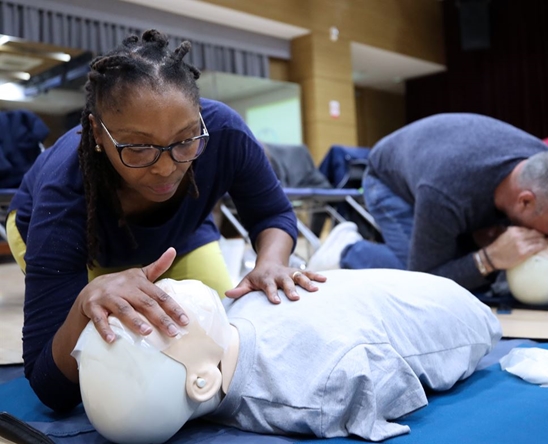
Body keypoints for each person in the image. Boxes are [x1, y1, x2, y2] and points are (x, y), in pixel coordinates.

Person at [4, 30, 325, 413]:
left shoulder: (224, 132)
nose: (166, 168)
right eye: (137, 147)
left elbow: (272, 212)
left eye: (186, 140)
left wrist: (271, 262)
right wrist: (82, 306)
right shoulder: (65, 187)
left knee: (217, 336)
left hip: (180, 235)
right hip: (73, 242)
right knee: (111, 355)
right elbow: (47, 384)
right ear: (97, 134)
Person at [75, 271, 502, 443]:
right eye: (164, 326)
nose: (164, 294)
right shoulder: (323, 387)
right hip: (456, 309)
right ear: (200, 381)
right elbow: (378, 380)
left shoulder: (233, 315)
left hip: (381, 287)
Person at [307, 114, 548, 293]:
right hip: (388, 181)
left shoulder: (543, 166)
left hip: (443, 167)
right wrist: (489, 258)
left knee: (473, 274)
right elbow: (427, 281)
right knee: (414, 282)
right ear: (525, 202)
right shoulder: (445, 191)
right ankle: (350, 250)